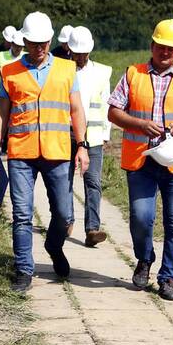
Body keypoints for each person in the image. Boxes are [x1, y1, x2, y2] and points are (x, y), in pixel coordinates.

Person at [0, 11, 91, 293]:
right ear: (25, 40)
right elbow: (1, 115)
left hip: (57, 152)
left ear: (50, 39)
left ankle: (54, 247)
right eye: (33, 42)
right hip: (22, 153)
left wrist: (82, 145)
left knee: (64, 214)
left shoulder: (67, 70)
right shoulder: (10, 72)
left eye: (44, 42)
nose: (39, 47)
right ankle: (23, 270)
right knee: (21, 214)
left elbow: (77, 110)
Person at [107, 19, 173, 302]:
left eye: (172, 49)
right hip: (141, 161)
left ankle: (168, 278)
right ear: (152, 45)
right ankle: (144, 259)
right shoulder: (132, 74)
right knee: (141, 218)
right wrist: (140, 125)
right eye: (161, 46)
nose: (166, 52)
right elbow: (113, 113)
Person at [67, 26, 111, 247]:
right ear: (70, 50)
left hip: (93, 137)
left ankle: (92, 228)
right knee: (62, 181)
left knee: (92, 182)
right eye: (77, 53)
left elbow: (106, 105)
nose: (81, 57)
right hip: (65, 136)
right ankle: (66, 220)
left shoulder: (102, 73)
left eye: (84, 53)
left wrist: (106, 133)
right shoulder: (62, 71)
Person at [0, 26, 24, 104]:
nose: (10, 44)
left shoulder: (21, 54)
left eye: (11, 42)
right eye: (8, 41)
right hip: (0, 93)